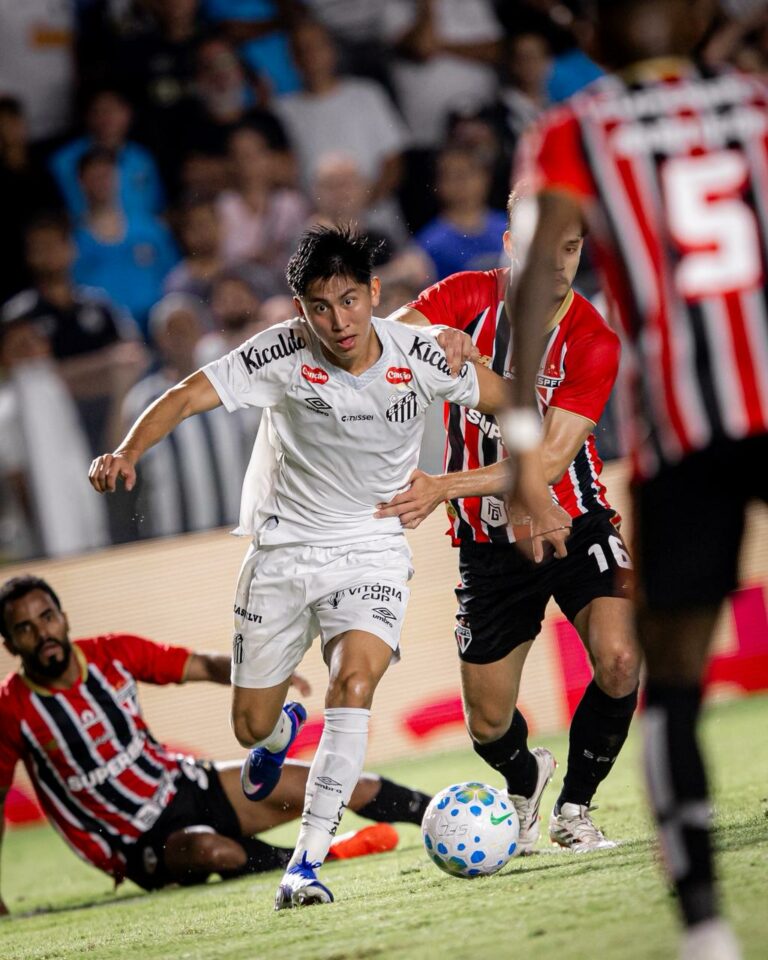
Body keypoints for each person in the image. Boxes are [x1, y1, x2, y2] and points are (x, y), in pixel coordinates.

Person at [87, 225, 563, 908]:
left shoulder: (422, 355)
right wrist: (128, 451)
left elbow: (516, 403)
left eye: (349, 301)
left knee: (354, 684)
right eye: (319, 306)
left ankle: (304, 866)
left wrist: (525, 482)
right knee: (250, 726)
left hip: (371, 546)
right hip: (282, 551)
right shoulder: (278, 352)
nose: (338, 321)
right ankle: (279, 732)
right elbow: (189, 393)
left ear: (374, 294)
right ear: (300, 308)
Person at [508, 1, 768, 957]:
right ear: (701, 20)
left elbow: (534, 288)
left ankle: (705, 929)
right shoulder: (756, 100)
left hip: (687, 433)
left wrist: (518, 451)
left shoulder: (575, 131)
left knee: (676, 684)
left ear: (588, 36)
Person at [384, 192, 639, 852]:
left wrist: (443, 484)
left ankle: (574, 810)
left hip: (574, 521)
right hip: (487, 544)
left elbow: (549, 463)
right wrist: (427, 342)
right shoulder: (466, 295)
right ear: (508, 244)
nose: (557, 263)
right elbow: (388, 347)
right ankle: (526, 783)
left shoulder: (592, 339)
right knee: (489, 726)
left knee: (620, 658)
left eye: (571, 247)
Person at [0, 574, 431, 914]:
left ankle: (437, 815)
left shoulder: (112, 653)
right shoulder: (11, 709)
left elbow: (202, 664)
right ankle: (328, 855)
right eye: (25, 628)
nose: (42, 633)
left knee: (343, 784)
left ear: (64, 617)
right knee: (211, 851)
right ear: (9, 644)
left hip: (187, 784)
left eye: (47, 617)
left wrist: (264, 677)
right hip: (135, 840)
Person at [414, 145, 507, 279]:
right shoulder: (430, 242)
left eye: (466, 174)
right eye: (450, 176)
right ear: (438, 185)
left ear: (486, 177)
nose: (460, 184)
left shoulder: (510, 226)